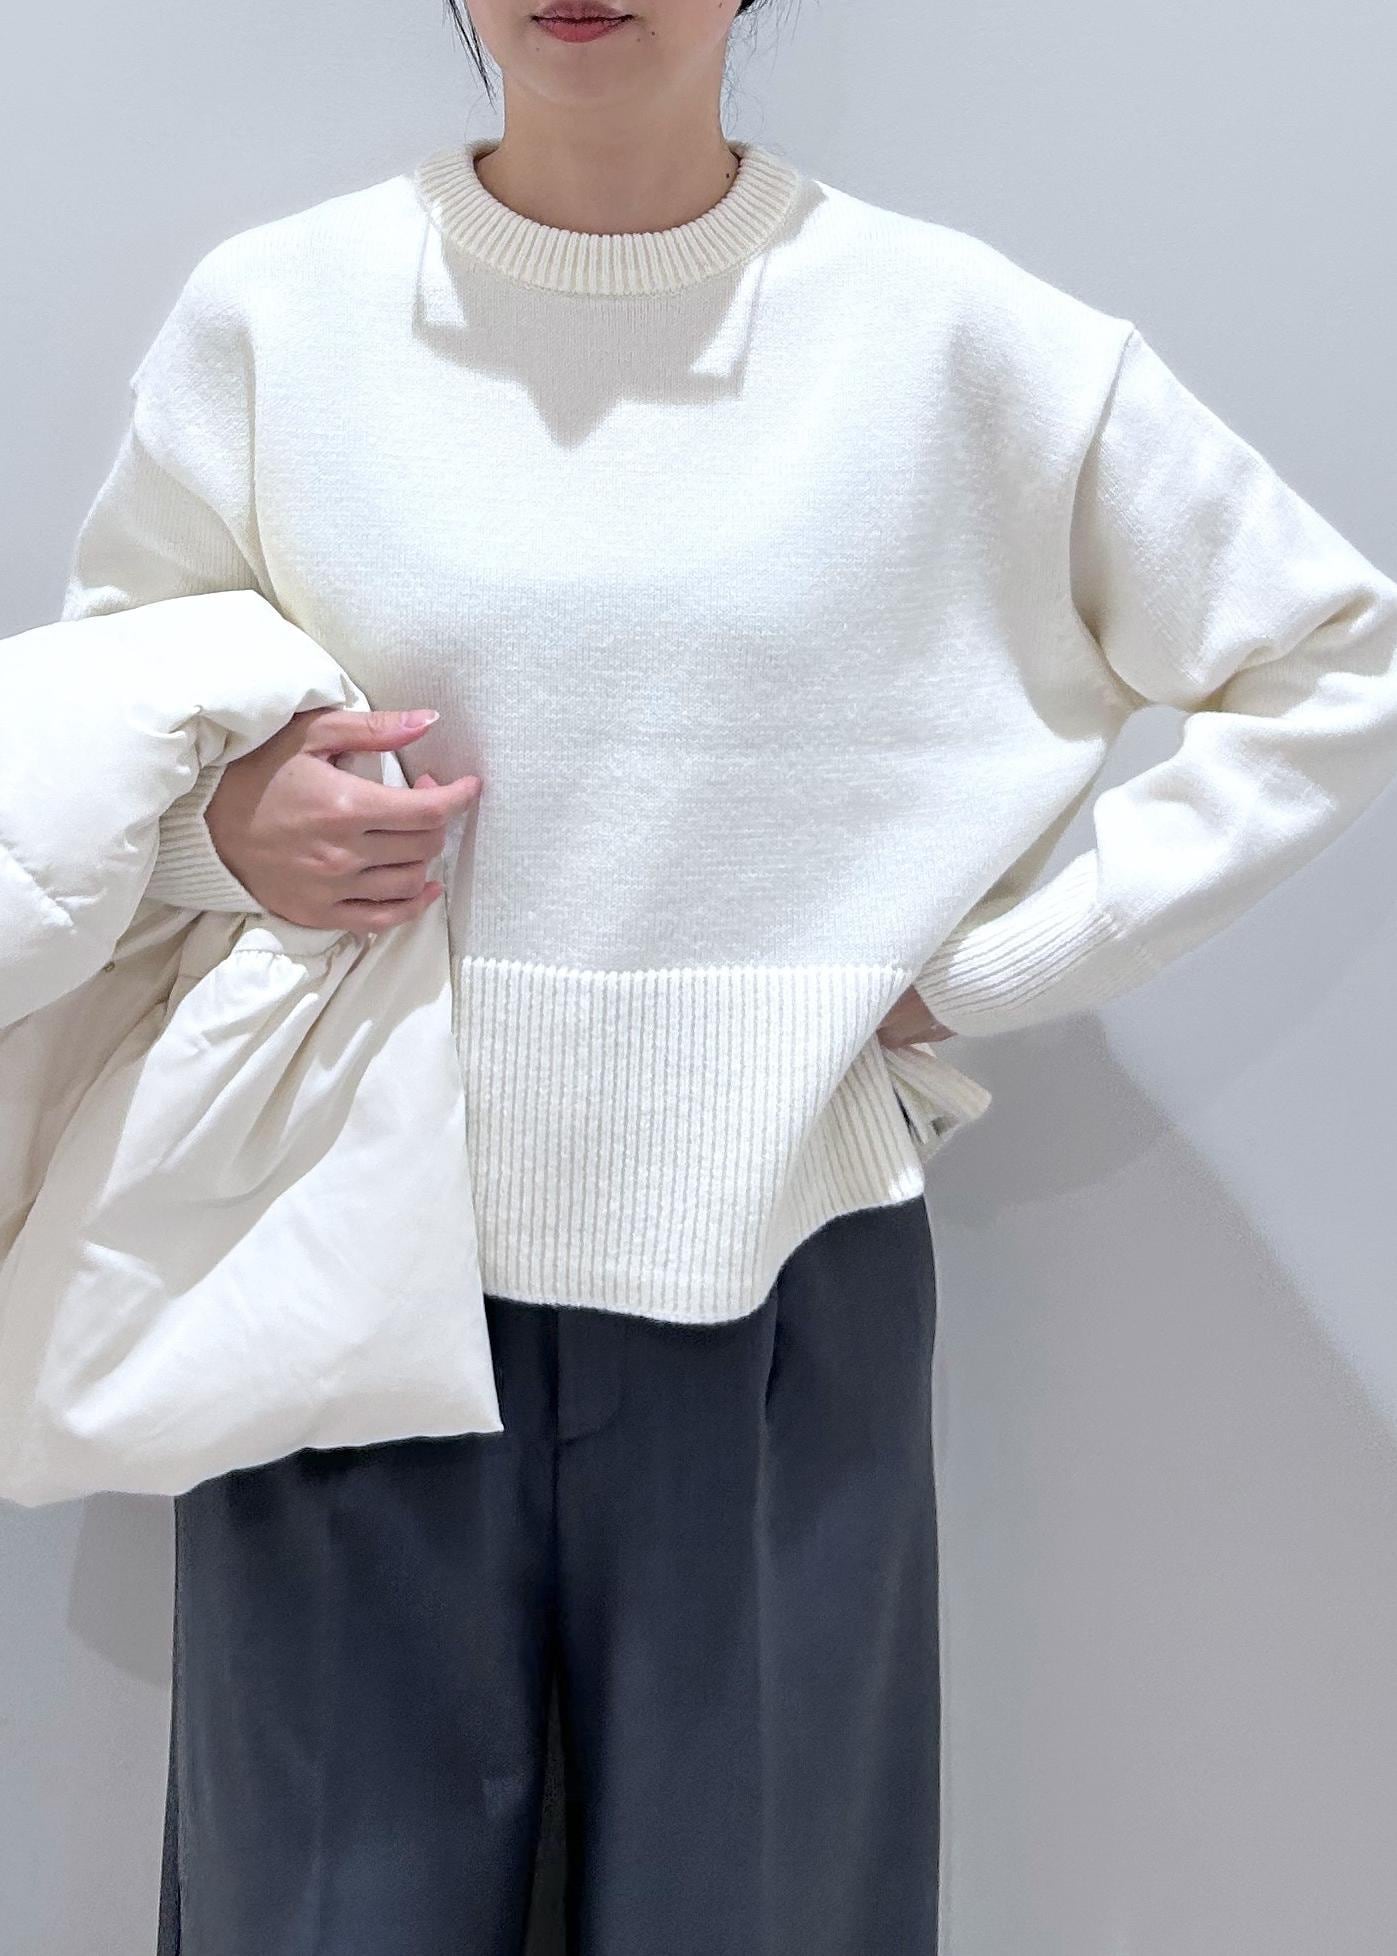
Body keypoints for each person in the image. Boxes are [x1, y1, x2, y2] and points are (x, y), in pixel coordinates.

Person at [58, 1, 1397, 1950]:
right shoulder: (279, 319)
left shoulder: (949, 337)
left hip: (775, 1260)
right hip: (338, 1254)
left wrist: (985, 965)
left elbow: (1331, 659)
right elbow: (110, 735)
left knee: (762, 1910)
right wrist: (226, 828)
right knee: (321, 1914)